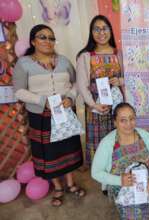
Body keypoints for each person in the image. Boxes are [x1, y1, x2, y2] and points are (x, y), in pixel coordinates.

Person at [13, 24, 85, 207]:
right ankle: (58, 187)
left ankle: (70, 183)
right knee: (49, 153)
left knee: (68, 148)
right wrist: (41, 100)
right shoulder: (24, 63)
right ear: (33, 41)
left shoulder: (63, 61)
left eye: (51, 38)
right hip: (42, 116)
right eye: (42, 37)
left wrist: (70, 97)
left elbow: (77, 83)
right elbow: (18, 91)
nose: (48, 41)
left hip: (65, 113)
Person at [91, 102, 149, 219]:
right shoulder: (107, 143)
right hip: (120, 188)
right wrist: (120, 180)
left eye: (131, 119)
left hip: (144, 183)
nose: (129, 124)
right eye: (123, 120)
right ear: (115, 122)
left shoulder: (144, 135)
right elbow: (95, 173)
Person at [76, 15, 124, 167]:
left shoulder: (119, 53)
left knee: (119, 139)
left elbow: (131, 77)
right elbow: (82, 85)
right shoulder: (85, 56)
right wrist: (93, 105)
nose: (101, 32)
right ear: (91, 32)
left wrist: (120, 81)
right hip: (96, 107)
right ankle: (104, 178)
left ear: (110, 30)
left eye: (105, 28)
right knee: (101, 143)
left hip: (118, 105)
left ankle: (119, 172)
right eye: (96, 29)